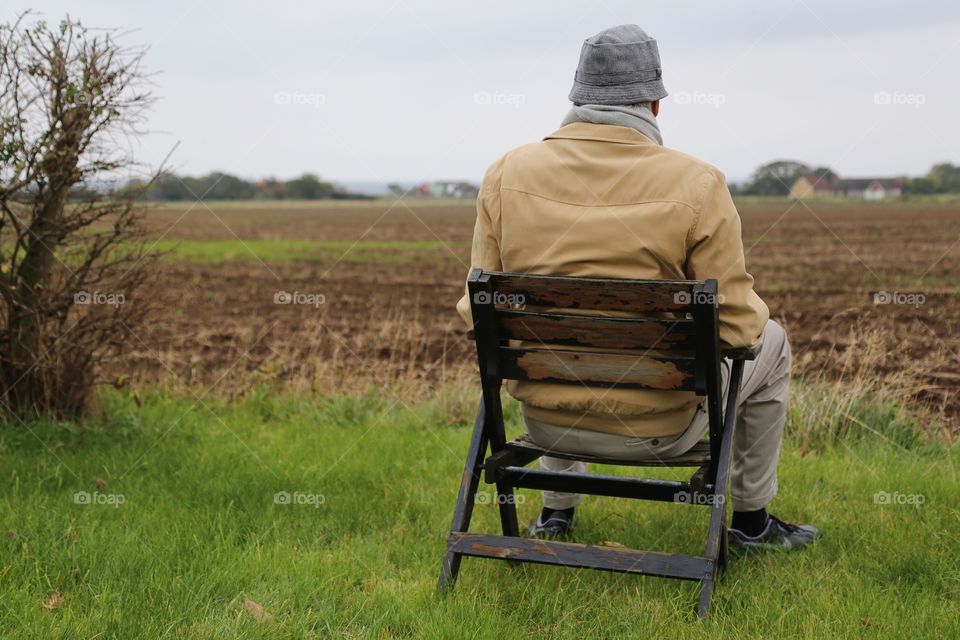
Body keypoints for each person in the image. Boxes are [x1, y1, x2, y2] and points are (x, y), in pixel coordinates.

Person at [456, 24, 819, 551]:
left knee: (557, 332)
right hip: (662, 430)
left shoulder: (506, 173)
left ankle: (555, 512)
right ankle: (753, 521)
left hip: (545, 422)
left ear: (577, 98)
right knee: (775, 338)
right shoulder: (698, 183)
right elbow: (740, 331)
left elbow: (475, 311)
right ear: (654, 104)